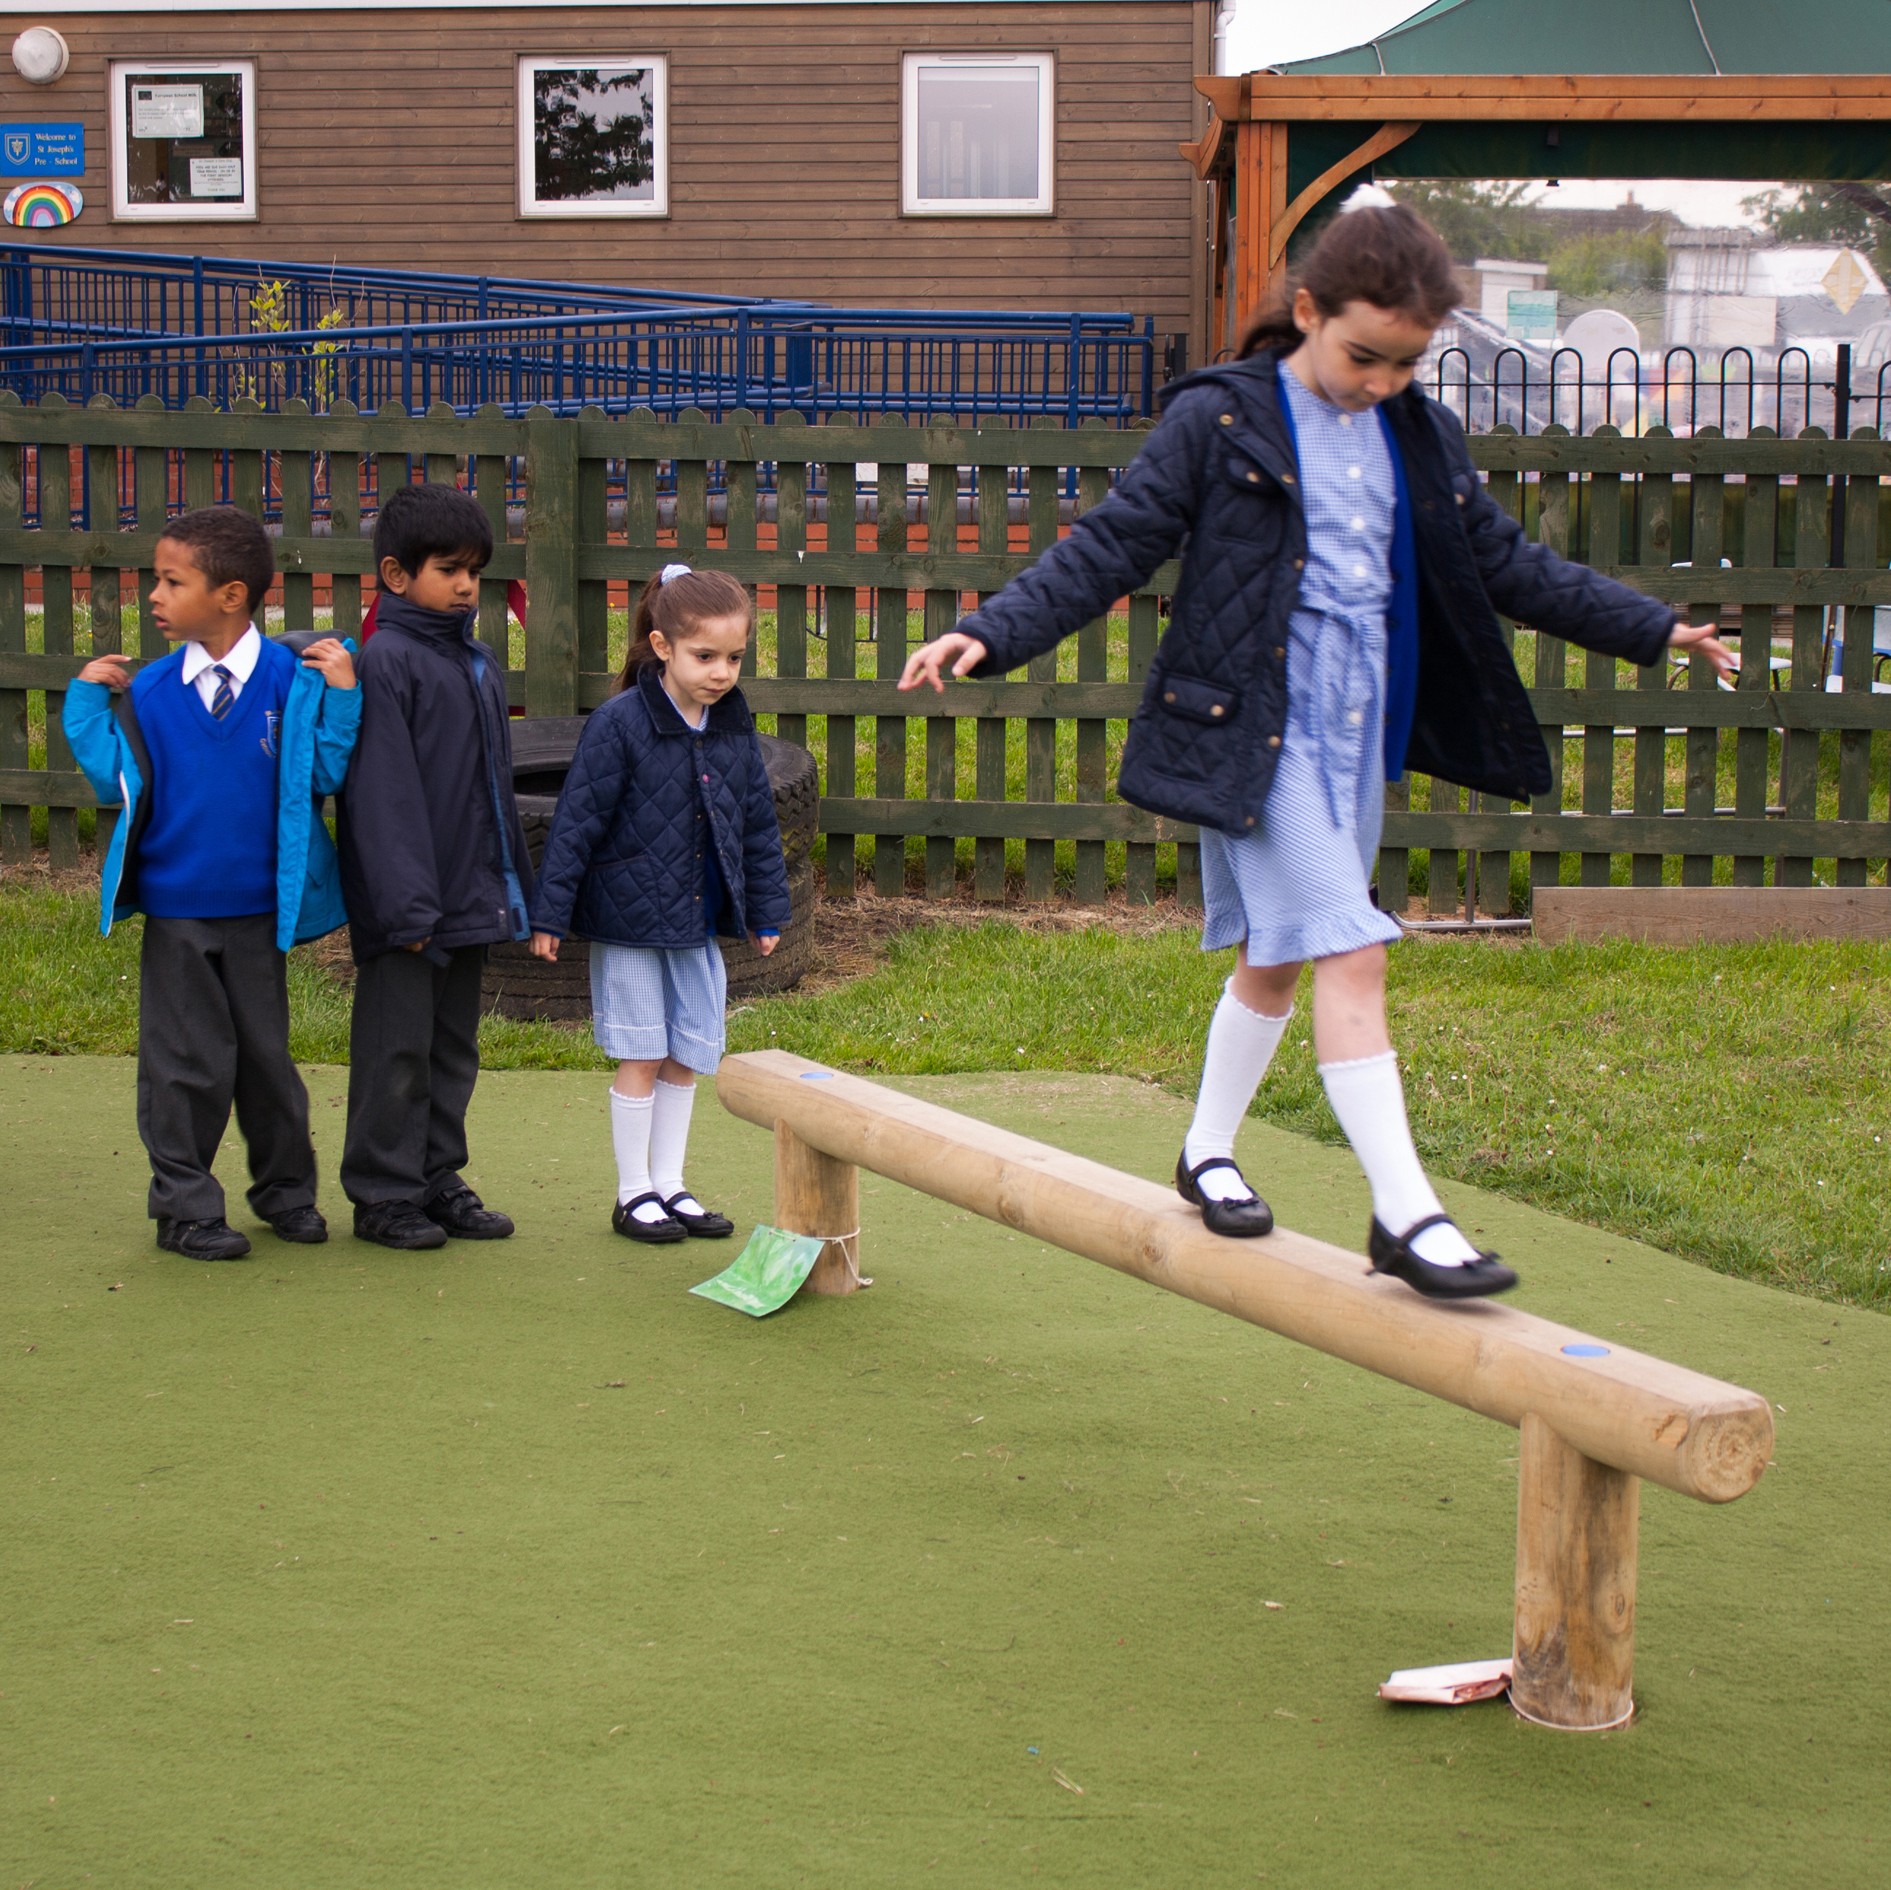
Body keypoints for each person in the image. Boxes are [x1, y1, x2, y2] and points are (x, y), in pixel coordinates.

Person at [899, 204, 1732, 1300]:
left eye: (1405, 362)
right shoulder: (1222, 419)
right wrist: (991, 627)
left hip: (1354, 727)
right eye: (1362, 355)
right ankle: (1406, 1215)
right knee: (1354, 946)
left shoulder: (1416, 434)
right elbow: (1116, 539)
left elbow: (1508, 564)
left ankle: (1203, 1151)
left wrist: (1650, 626)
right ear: (1307, 313)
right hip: (1251, 725)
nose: (1382, 380)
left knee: (1279, 955)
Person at [63, 506, 360, 1259]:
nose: (153, 596)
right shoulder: (151, 692)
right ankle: (186, 1209)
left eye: (171, 581)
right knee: (183, 1066)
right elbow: (116, 779)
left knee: (267, 1064)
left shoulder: (293, 683)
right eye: (155, 581)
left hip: (262, 913)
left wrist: (345, 695)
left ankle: (286, 1194)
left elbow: (325, 770)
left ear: (230, 596)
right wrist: (82, 702)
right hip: (177, 917)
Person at [528, 564, 790, 1244]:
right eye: (706, 656)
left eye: (734, 657)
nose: (721, 671)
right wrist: (549, 914)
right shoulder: (619, 724)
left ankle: (670, 1184)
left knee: (687, 1054)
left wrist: (766, 912)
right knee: (641, 1054)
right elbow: (577, 821)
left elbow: (757, 822)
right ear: (663, 645)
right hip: (631, 923)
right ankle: (631, 1192)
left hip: (696, 924)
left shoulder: (733, 724)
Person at [337, 483, 532, 1251]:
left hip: (470, 896)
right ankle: (382, 1192)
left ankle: (434, 1176)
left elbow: (491, 790)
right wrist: (407, 910)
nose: (464, 586)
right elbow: (382, 796)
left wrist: (511, 893)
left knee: (453, 1048)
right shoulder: (385, 663)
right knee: (396, 1049)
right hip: (407, 910)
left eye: (474, 571)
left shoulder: (480, 664)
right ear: (395, 575)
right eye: (448, 569)